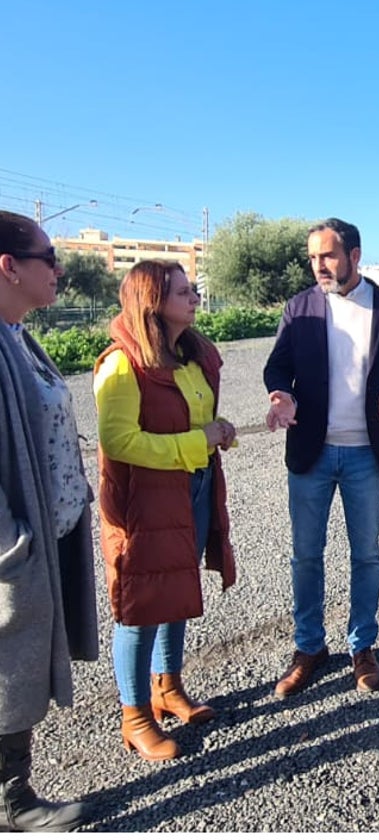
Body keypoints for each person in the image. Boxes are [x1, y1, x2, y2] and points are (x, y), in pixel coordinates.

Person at [264, 218, 379, 697]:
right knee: (306, 556)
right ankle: (309, 647)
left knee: (366, 555)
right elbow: (278, 365)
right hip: (310, 452)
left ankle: (362, 647)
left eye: (328, 256)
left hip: (364, 455)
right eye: (313, 258)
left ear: (354, 255)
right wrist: (279, 394)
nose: (319, 266)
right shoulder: (300, 309)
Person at [94, 259, 237, 761]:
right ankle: (135, 716)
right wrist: (196, 441)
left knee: (177, 584)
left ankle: (168, 687)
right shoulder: (121, 364)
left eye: (193, 289)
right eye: (184, 291)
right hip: (145, 502)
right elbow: (119, 440)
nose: (195, 297)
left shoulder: (189, 357)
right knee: (139, 606)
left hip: (192, 488)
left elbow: (195, 419)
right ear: (153, 301)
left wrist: (217, 429)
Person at [0, 212, 98, 831]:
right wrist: (12, 543)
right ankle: (11, 802)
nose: (58, 269)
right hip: (18, 548)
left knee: (22, 666)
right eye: (48, 257)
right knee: (9, 667)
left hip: (47, 531)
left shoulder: (17, 334)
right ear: (8, 266)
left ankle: (14, 787)